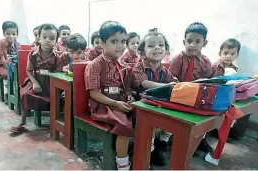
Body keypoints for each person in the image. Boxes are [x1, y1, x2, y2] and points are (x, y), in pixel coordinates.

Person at [84, 21, 134, 170]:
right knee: (124, 124)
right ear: (102, 43)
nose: (120, 46)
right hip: (102, 104)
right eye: (114, 41)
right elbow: (94, 93)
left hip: (119, 100)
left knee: (146, 115)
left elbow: (126, 88)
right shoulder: (95, 65)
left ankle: (144, 150)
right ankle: (122, 163)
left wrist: (129, 95)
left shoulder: (123, 64)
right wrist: (116, 104)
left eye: (123, 41)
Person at [132, 29, 178, 166]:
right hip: (140, 106)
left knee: (177, 118)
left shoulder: (165, 71)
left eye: (161, 45)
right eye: (151, 45)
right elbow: (145, 84)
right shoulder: (138, 68)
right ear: (142, 52)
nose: (157, 47)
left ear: (166, 50)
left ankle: (162, 142)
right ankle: (147, 155)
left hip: (159, 105)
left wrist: (175, 84)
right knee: (149, 129)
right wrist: (166, 86)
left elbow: (174, 82)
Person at [10, 24, 65, 134]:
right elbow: (29, 70)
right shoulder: (33, 54)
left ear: (56, 41)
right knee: (25, 95)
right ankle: (23, 122)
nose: (47, 41)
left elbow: (59, 74)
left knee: (62, 98)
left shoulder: (57, 56)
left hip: (50, 84)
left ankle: (59, 123)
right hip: (35, 81)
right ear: (38, 38)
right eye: (44, 37)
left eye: (51, 38)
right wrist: (35, 83)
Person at [169, 22, 213, 154]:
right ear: (184, 41)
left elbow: (208, 81)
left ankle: (201, 139)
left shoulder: (206, 62)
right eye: (189, 41)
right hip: (179, 95)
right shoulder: (178, 59)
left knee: (207, 114)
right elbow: (170, 78)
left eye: (197, 41)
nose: (192, 45)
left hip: (198, 97)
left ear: (204, 43)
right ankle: (163, 142)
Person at [0, 21, 21, 98]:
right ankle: (7, 94)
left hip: (13, 66)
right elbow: (2, 59)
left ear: (17, 34)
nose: (11, 36)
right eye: (8, 34)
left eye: (14, 34)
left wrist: (15, 68)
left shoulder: (17, 44)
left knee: (19, 74)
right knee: (7, 74)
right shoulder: (0, 43)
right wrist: (10, 69)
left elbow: (19, 57)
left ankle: (17, 92)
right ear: (4, 34)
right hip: (2, 65)